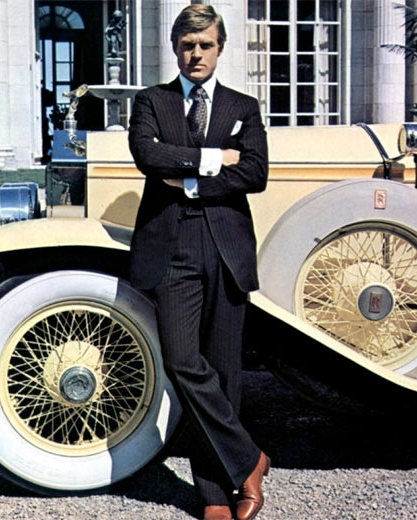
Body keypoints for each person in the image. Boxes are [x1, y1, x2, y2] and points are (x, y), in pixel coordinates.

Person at [128, 5, 269, 520]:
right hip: (172, 249)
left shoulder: (243, 107)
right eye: (187, 45)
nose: (196, 54)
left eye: (205, 45)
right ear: (175, 48)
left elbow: (255, 173)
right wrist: (214, 159)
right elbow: (148, 156)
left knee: (226, 373)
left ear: (220, 47)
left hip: (226, 247)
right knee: (183, 361)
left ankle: (217, 493)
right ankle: (248, 460)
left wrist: (186, 177)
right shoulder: (153, 101)